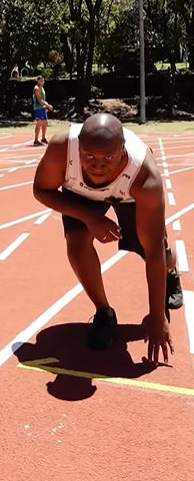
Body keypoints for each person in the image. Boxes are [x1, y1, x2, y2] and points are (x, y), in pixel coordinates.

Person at [32, 114, 183, 364]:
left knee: (157, 253)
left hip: (129, 194)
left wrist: (157, 316)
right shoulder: (61, 148)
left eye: (108, 158)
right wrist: (90, 218)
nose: (98, 165)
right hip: (80, 194)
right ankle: (104, 312)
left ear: (122, 151)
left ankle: (171, 273)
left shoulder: (145, 176)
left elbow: (153, 250)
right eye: (89, 156)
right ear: (78, 148)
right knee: (77, 246)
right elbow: (40, 189)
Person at [32, 75, 53, 146]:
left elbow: (43, 100)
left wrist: (46, 105)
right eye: (41, 80)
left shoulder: (42, 88)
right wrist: (48, 105)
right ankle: (36, 140)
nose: (42, 82)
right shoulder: (37, 88)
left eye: (43, 80)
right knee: (39, 123)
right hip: (38, 108)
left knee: (45, 122)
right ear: (37, 81)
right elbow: (39, 100)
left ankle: (43, 138)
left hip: (42, 108)